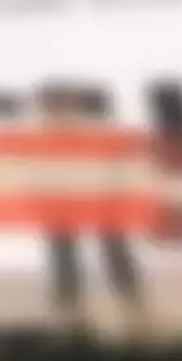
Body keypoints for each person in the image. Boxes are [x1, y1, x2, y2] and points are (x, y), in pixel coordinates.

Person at [36, 83, 144, 330]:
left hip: (97, 189)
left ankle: (129, 301)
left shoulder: (94, 120)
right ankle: (72, 308)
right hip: (64, 191)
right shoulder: (47, 127)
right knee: (65, 248)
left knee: (111, 245)